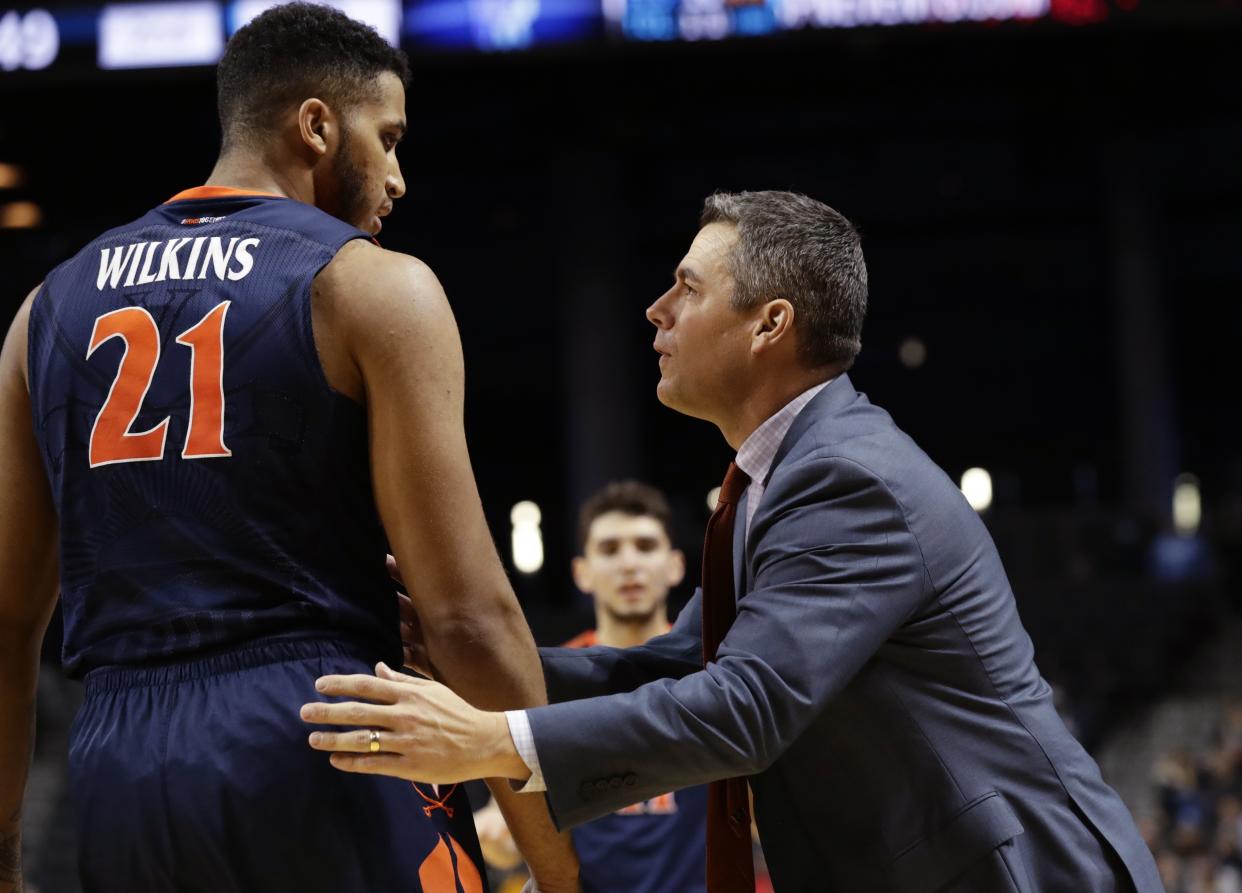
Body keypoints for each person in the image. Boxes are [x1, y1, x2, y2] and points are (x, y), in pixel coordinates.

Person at [305, 189, 1167, 891]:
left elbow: (745, 708)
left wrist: (490, 739)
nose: (655, 309)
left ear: (769, 325)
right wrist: (467, 663)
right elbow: (690, 664)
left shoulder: (848, 479)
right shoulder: (786, 472)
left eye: (687, 287)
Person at [0, 4, 577, 892]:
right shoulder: (373, 286)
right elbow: (467, 618)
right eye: (386, 138)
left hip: (119, 761)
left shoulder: (44, 309)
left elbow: (7, 622)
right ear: (316, 125)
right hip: (326, 727)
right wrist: (561, 862)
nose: (398, 176)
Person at [474, 481, 707, 893]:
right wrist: (498, 838)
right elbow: (506, 833)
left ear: (675, 565)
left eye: (646, 546)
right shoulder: (543, 683)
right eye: (610, 549)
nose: (629, 564)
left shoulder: (711, 672)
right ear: (582, 572)